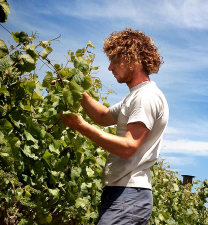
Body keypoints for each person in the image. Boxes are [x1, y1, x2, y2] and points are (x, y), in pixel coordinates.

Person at [60, 28, 169, 225]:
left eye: (115, 61)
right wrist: (75, 91)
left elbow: (128, 147)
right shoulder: (135, 96)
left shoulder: (146, 97)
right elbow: (102, 116)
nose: (110, 67)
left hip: (129, 196)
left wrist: (82, 127)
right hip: (123, 194)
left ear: (132, 59)